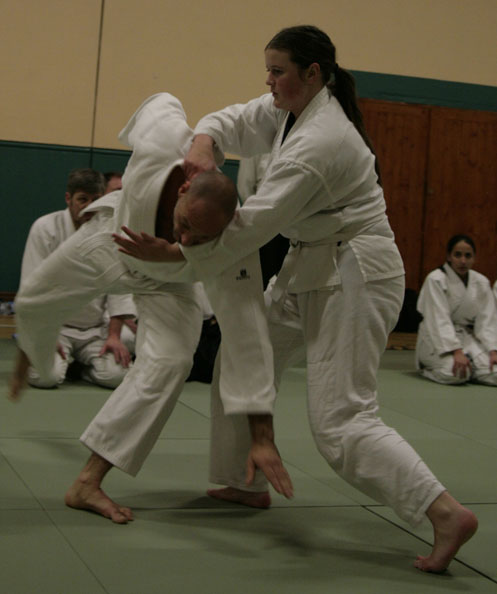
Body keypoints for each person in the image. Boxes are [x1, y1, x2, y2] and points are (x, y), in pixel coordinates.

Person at [119, 26, 478, 572]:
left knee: (341, 422)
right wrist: (204, 140)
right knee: (240, 357)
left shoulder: (320, 141)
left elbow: (250, 229)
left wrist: (173, 253)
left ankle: (444, 512)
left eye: (278, 71)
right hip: (310, 264)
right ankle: (242, 481)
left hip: (356, 274)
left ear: (312, 74)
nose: (269, 81)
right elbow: (236, 119)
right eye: (267, 70)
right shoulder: (291, 109)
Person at [9, 92, 290, 523]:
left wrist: (263, 436)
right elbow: (163, 100)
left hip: (170, 286)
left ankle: (88, 482)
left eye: (201, 239)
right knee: (32, 300)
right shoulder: (163, 144)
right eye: (186, 226)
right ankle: (31, 352)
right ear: (183, 189)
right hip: (113, 242)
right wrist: (202, 141)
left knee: (171, 361)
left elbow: (249, 338)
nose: (188, 240)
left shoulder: (231, 247)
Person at [20, 168, 135, 389]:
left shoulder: (109, 231)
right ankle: (63, 364)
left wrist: (113, 336)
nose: (89, 206)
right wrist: (46, 335)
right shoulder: (46, 228)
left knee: (119, 376)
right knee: (45, 377)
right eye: (83, 199)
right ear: (68, 198)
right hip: (56, 327)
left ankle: (82, 369)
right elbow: (32, 285)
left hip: (94, 329)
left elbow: (118, 289)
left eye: (96, 200)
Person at [416, 234, 497, 385]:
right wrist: (456, 351)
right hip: (436, 340)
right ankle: (426, 369)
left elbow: (487, 322)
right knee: (457, 373)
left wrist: (493, 350)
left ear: (474, 258)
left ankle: (473, 368)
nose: (463, 261)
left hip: (467, 338)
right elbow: (438, 320)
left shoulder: (481, 282)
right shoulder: (436, 279)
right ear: (449, 256)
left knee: (495, 371)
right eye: (457, 255)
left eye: (468, 256)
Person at [237, 155, 289, 288]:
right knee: (264, 278)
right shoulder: (255, 148)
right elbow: (245, 186)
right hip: (263, 222)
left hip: (293, 223)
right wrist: (258, 216)